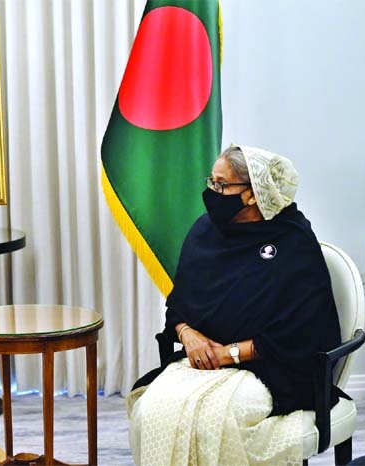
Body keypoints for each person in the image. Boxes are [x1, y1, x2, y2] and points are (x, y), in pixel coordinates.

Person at [127, 145, 342, 465]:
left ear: (253, 194)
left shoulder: (292, 240)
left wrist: (231, 354)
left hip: (272, 367)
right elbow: (179, 302)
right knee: (151, 409)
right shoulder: (205, 232)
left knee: (217, 419)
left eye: (222, 185)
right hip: (202, 359)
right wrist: (188, 334)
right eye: (212, 182)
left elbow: (304, 327)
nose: (213, 192)